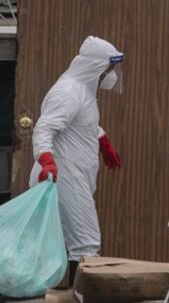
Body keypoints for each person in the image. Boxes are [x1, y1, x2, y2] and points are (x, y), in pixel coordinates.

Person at [29, 36, 124, 270]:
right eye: (109, 68)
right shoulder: (69, 92)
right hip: (64, 174)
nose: (111, 74)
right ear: (95, 67)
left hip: (73, 173)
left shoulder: (83, 90)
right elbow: (45, 128)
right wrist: (47, 161)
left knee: (58, 242)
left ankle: (55, 299)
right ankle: (77, 301)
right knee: (86, 244)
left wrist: (101, 139)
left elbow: (80, 122)